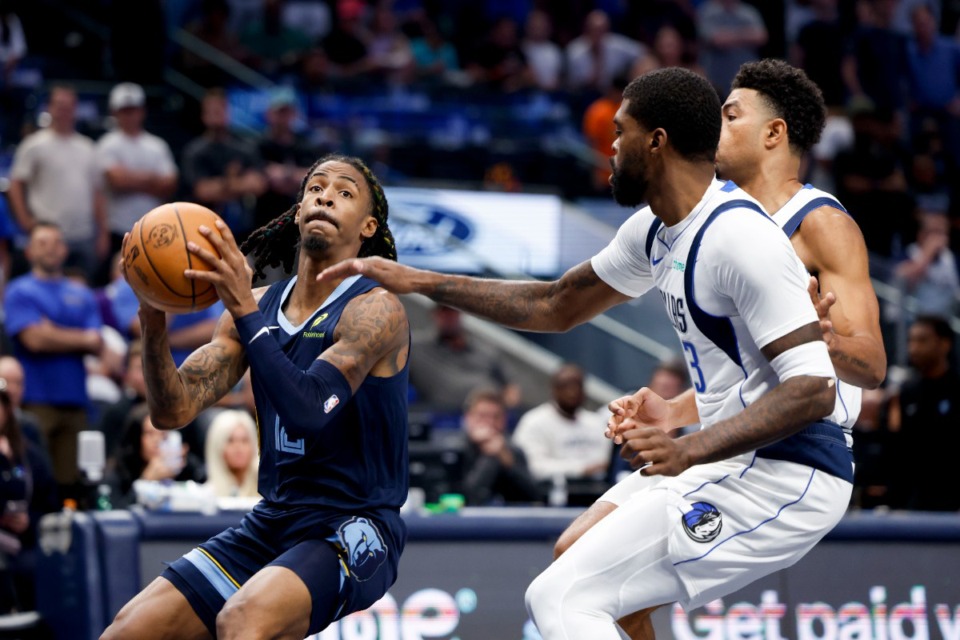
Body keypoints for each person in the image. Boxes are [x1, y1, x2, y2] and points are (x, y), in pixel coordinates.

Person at [320, 67, 851, 639]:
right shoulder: (656, 229)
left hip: (791, 471)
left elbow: (813, 389)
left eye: (621, 133)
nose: (611, 148)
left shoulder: (739, 237)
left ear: (658, 141)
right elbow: (555, 304)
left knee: (561, 600)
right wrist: (419, 281)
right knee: (576, 551)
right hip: (730, 455)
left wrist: (690, 448)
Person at [566, 59, 888, 637]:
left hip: (793, 448)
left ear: (774, 133)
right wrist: (676, 412)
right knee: (578, 551)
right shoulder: (708, 219)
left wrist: (819, 335)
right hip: (736, 432)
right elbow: (747, 370)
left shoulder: (820, 224)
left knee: (584, 586)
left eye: (730, 116)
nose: (715, 128)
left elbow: (871, 364)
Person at [101, 153, 410, 640]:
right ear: (299, 207)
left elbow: (310, 411)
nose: (326, 195)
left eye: (344, 193)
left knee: (245, 619)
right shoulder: (259, 307)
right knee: (129, 630)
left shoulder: (375, 310)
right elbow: (171, 409)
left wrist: (244, 307)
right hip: (274, 518)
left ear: (368, 227)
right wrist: (153, 314)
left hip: (355, 524)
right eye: (315, 188)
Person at [2, 223, 104, 500]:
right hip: (35, 399)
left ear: (65, 249)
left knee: (72, 483)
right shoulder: (18, 291)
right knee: (36, 477)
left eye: (56, 242)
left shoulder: (83, 293)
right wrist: (79, 337)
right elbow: (33, 340)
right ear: (31, 250)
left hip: (75, 399)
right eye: (42, 242)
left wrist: (50, 332)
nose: (50, 248)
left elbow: (97, 342)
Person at [6, 85, 109, 280]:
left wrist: (102, 232)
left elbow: (98, 193)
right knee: (44, 286)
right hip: (47, 236)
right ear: (49, 108)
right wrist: (25, 220)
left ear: (75, 109)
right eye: (59, 105)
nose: (64, 110)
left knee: (79, 293)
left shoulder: (88, 147)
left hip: (82, 235)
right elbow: (15, 184)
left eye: (68, 106)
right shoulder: (34, 144)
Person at [96, 82, 178, 259]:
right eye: (124, 110)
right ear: (115, 112)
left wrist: (130, 179)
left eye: (133, 110)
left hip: (153, 229)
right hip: (117, 229)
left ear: (142, 111)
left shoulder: (157, 145)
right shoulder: (107, 144)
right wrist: (152, 179)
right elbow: (117, 181)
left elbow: (170, 185)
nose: (129, 115)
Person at [886, 315, 960, 511]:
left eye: (922, 340)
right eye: (911, 340)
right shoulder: (907, 392)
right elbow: (898, 449)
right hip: (915, 502)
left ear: (944, 344)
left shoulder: (956, 388)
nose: (914, 348)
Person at [0, 378, 58, 614]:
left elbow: (50, 502)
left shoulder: (28, 453)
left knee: (45, 564)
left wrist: (28, 521)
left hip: (26, 541)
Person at [512, 363, 610, 483]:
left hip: (600, 489)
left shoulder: (596, 422)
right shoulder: (533, 422)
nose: (573, 392)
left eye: (577, 386)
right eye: (566, 386)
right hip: (552, 493)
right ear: (554, 390)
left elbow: (607, 461)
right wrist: (581, 469)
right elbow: (534, 467)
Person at [109, 403, 206, 509]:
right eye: (150, 434)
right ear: (135, 437)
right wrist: (146, 481)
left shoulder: (186, 467)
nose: (157, 440)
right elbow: (117, 515)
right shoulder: (117, 474)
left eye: (163, 435)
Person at [459, 386, 541, 506]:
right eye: (483, 416)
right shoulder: (456, 451)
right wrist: (490, 456)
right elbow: (468, 497)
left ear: (504, 420)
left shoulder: (513, 451)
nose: (490, 423)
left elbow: (534, 496)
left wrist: (508, 462)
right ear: (468, 418)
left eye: (496, 417)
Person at [203, 409, 259, 499]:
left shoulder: (268, 491)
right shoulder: (207, 495)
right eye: (230, 441)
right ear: (217, 446)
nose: (238, 448)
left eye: (244, 440)